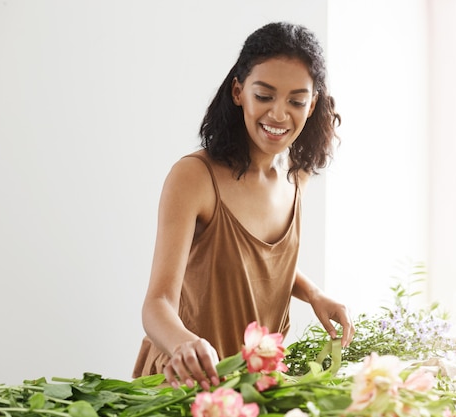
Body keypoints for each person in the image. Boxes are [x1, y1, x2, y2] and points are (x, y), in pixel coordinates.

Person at [132, 22, 355, 391]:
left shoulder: (296, 178)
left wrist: (313, 292)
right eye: (264, 96)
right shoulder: (194, 178)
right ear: (239, 92)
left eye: (296, 101)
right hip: (189, 381)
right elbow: (157, 304)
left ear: (312, 104)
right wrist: (184, 344)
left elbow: (256, 264)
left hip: (257, 384)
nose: (279, 115)